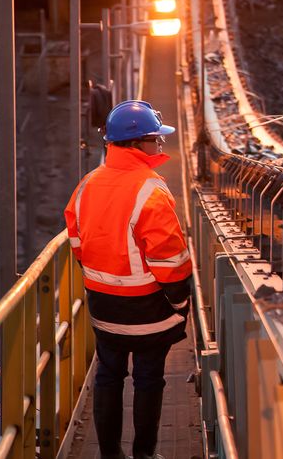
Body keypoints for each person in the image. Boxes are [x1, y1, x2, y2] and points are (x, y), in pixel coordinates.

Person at [65, 100, 191, 459]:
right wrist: (180, 302)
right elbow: (170, 258)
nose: (161, 145)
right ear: (137, 144)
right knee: (148, 379)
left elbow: (76, 240)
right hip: (148, 309)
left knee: (108, 375)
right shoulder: (150, 189)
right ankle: (145, 454)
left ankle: (109, 454)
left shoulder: (87, 184)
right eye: (155, 138)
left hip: (103, 307)